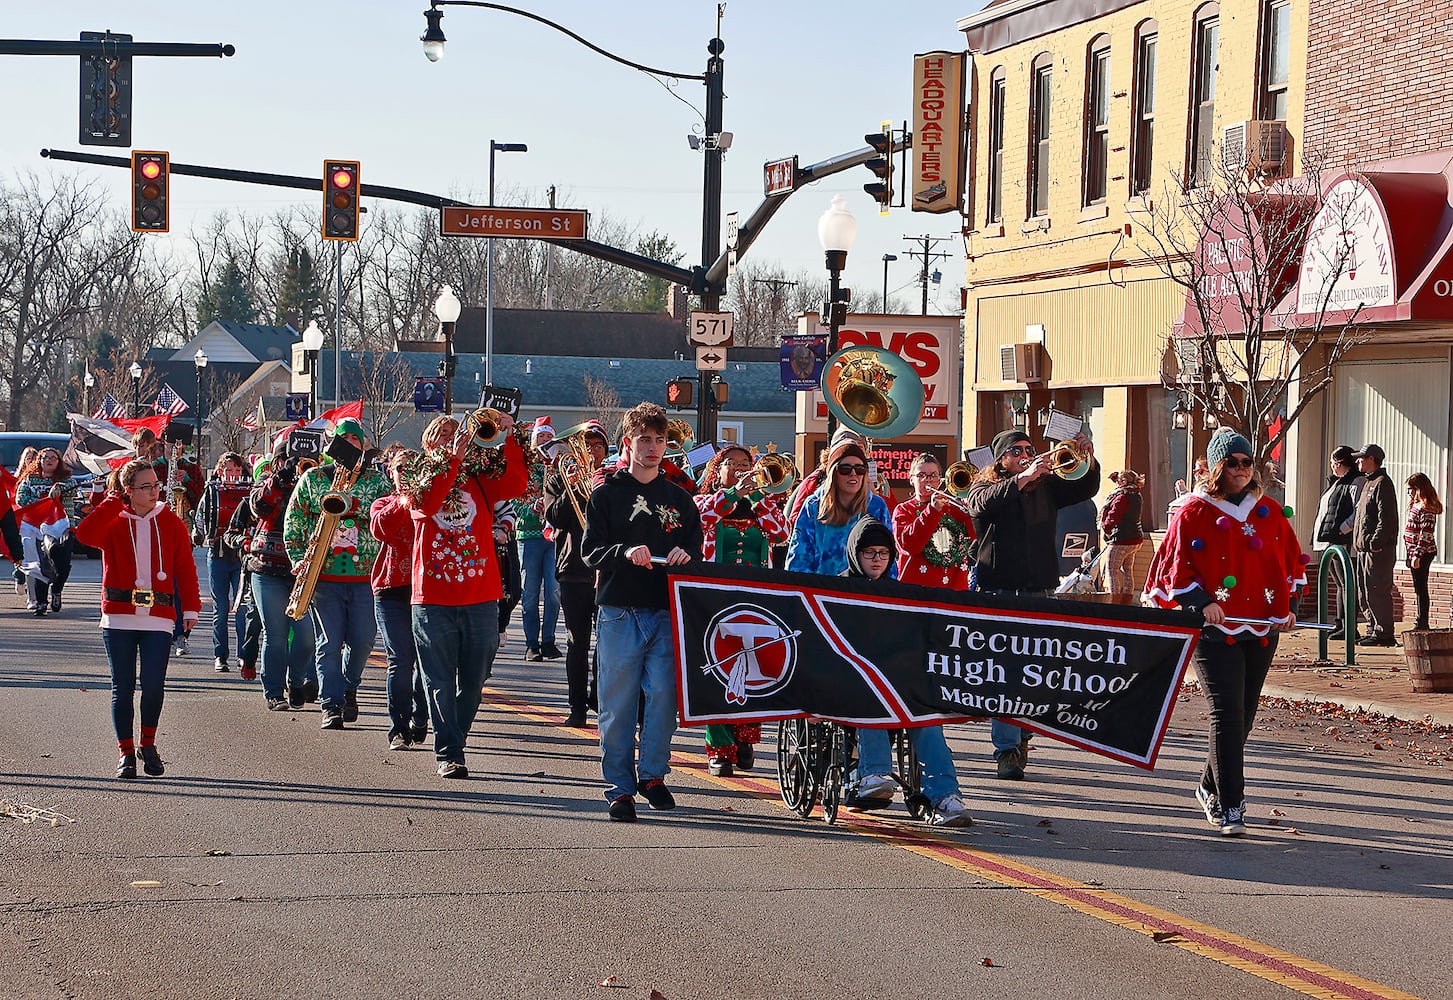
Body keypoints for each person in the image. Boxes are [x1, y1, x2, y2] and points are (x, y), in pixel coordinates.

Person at [1144, 429, 1307, 836]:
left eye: (1246, 462)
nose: (1239, 469)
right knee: (1226, 714)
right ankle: (1232, 805)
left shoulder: (1268, 511)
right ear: (1217, 466)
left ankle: (1208, 784)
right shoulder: (1195, 510)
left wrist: (1288, 608)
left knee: (1244, 718)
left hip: (1262, 628)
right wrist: (1201, 601)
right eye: (1231, 462)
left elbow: (1288, 563)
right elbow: (1175, 565)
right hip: (1215, 629)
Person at [383, 412, 527, 778]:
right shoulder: (419, 479)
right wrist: (452, 459)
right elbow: (424, 506)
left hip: (480, 596)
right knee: (439, 680)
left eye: (456, 435)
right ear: (429, 443)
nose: (452, 440)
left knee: (475, 681)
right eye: (443, 436)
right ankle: (450, 751)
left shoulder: (479, 480)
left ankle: (453, 737)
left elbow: (516, 484)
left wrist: (507, 435)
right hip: (432, 598)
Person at [581, 402, 703, 822]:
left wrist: (687, 555)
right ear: (628, 444)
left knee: (663, 699)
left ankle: (652, 775)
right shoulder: (607, 494)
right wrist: (624, 552)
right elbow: (590, 552)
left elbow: (696, 550)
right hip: (619, 610)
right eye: (645, 440)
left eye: (660, 440)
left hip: (666, 610)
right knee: (617, 703)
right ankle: (619, 787)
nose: (653, 448)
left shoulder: (680, 499)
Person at [965, 428, 1099, 780]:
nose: (1027, 454)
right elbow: (979, 506)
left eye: (1029, 448)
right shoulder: (986, 488)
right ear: (1002, 460)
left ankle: (1023, 731)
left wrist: (1090, 457)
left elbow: (1085, 487)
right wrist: (1022, 479)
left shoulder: (1047, 487)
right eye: (1017, 450)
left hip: (1039, 589)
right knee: (1005, 674)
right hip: (1000, 592)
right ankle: (1006, 749)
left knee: (1034, 672)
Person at [75, 458, 201, 779]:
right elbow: (85, 535)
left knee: (154, 685)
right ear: (128, 491)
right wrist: (110, 502)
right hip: (118, 617)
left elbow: (185, 568)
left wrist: (190, 608)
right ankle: (126, 752)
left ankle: (148, 744)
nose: (155, 491)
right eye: (146, 487)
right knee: (123, 687)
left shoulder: (171, 522)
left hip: (159, 616)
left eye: (156, 485)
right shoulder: (113, 519)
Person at [849, 514, 973, 827]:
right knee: (873, 696)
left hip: (900, 681)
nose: (877, 560)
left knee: (927, 719)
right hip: (853, 681)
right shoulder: (837, 589)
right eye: (869, 553)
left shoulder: (901, 593)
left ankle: (945, 796)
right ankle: (874, 774)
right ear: (855, 554)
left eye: (883, 554)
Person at [284, 419, 392, 729]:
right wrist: (298, 559)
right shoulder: (313, 478)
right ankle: (330, 704)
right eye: (343, 440)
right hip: (324, 574)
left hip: (365, 575)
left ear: (364, 446)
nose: (349, 445)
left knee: (361, 642)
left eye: (355, 441)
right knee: (328, 642)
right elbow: (295, 519)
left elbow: (381, 510)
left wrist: (352, 502)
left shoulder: (376, 480)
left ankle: (349, 687)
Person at [693, 443, 789, 776]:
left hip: (754, 600)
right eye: (731, 463)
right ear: (716, 470)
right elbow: (701, 520)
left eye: (746, 463)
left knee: (754, 670)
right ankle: (719, 748)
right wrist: (734, 493)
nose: (740, 468)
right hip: (713, 600)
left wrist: (757, 495)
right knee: (717, 672)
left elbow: (781, 532)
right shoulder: (704, 501)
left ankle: (745, 739)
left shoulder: (764, 506)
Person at [543, 420, 609, 726]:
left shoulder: (614, 478)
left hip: (607, 569)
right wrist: (573, 488)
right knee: (576, 642)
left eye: (598, 446)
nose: (592, 451)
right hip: (573, 567)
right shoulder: (557, 477)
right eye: (587, 445)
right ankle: (577, 707)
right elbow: (554, 517)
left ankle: (598, 695)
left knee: (607, 641)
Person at [247, 432, 318, 711]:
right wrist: (281, 478)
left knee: (305, 636)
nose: (300, 464)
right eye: (293, 459)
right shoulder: (269, 482)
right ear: (280, 459)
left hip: (303, 570)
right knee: (276, 634)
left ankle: (296, 680)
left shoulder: (315, 482)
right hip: (267, 568)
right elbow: (258, 508)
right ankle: (273, 692)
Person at [369, 448, 431, 751]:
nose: (406, 474)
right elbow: (380, 529)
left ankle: (421, 716)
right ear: (390, 473)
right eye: (400, 469)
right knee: (400, 660)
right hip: (391, 588)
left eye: (412, 468)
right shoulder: (383, 502)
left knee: (424, 661)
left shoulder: (433, 501)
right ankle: (398, 727)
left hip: (426, 590)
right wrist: (402, 503)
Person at [785, 436, 890, 577]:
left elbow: (888, 556)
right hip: (822, 591)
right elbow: (798, 559)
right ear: (833, 473)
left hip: (864, 592)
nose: (853, 474)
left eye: (859, 469)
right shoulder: (813, 505)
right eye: (845, 469)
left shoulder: (877, 506)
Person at [191, 452, 252, 672]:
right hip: (217, 556)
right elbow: (199, 518)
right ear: (220, 471)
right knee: (221, 608)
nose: (233, 474)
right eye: (228, 470)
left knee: (242, 608)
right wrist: (199, 533)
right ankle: (221, 655)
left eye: (237, 470)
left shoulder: (249, 492)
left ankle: (244, 656)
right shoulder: (211, 492)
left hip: (241, 557)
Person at [15, 447, 85, 615]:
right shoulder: (30, 480)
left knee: (62, 565)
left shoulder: (66, 480)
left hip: (63, 527)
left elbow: (75, 490)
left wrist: (60, 487)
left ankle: (57, 589)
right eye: (45, 457)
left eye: (53, 457)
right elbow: (21, 498)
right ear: (39, 461)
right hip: (38, 529)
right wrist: (45, 500)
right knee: (42, 564)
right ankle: (40, 603)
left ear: (59, 461)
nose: (49, 460)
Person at [892, 452, 975, 589]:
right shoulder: (904, 510)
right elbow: (909, 545)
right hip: (916, 590)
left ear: (940, 480)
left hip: (954, 590)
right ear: (911, 480)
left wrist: (972, 503)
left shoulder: (956, 509)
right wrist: (932, 511)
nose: (928, 480)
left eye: (933, 475)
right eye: (921, 475)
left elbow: (975, 534)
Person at [516, 418, 562, 662]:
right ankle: (531, 643)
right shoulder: (523, 466)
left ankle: (549, 640)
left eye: (548, 437)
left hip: (553, 537)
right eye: (540, 437)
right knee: (530, 592)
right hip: (529, 535)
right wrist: (532, 507)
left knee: (553, 591)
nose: (544, 441)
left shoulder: (559, 467)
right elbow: (513, 501)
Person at [1350, 443, 1399, 647]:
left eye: (1362, 457)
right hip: (1363, 550)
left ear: (1372, 459)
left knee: (1376, 589)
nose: (1357, 461)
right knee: (1364, 590)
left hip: (1376, 551)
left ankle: (1384, 633)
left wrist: (1375, 543)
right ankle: (1372, 628)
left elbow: (1386, 518)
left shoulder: (1382, 483)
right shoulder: (1368, 483)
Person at [1312, 446, 1363, 639]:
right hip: (1332, 541)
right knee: (1340, 585)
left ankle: (1350, 627)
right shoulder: (1337, 482)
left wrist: (1342, 529)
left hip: (1345, 543)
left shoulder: (1356, 482)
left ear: (1342, 463)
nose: (1332, 467)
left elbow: (1358, 512)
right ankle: (1340, 623)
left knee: (1347, 584)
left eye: (1334, 463)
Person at [1403, 473, 1442, 631]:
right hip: (1413, 552)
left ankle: (1422, 621)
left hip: (1423, 553)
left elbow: (1426, 534)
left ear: (1419, 489)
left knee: (1421, 587)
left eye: (1411, 489)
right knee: (1418, 587)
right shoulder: (1416, 505)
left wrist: (1417, 555)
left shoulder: (1426, 507)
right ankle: (1420, 620)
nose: (1409, 493)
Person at [1100, 469, 1146, 595]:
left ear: (1124, 482)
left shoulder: (1122, 497)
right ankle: (1127, 599)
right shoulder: (1137, 495)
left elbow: (1113, 516)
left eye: (1118, 481)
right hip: (1135, 538)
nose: (1116, 483)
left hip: (1121, 539)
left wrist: (1106, 529)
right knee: (1127, 570)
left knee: (1112, 571)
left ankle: (1114, 602)